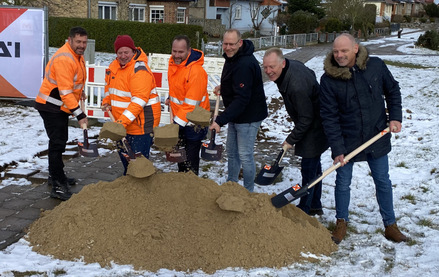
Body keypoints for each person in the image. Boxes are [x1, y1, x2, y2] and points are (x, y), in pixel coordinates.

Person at [320, 33, 407, 244]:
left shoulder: (375, 66)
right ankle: (341, 222)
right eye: (336, 51)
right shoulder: (329, 79)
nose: (339, 55)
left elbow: (392, 90)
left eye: (344, 51)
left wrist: (395, 116)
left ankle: (390, 225)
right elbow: (329, 117)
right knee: (342, 183)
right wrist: (337, 149)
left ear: (356, 49)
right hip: (347, 139)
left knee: (383, 182)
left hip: (376, 134)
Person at [262, 47, 328, 215]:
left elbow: (306, 118)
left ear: (282, 64)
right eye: (265, 67)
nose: (268, 71)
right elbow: (311, 73)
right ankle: (315, 204)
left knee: (308, 167)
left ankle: (305, 209)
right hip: (314, 119)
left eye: (272, 67)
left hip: (315, 124)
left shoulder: (296, 86)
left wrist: (291, 139)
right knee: (314, 167)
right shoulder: (291, 67)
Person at [209, 29, 268, 192]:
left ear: (240, 43)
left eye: (231, 44)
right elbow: (238, 84)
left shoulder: (245, 63)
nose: (227, 47)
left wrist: (219, 120)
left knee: (244, 154)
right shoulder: (233, 57)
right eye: (225, 43)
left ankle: (248, 192)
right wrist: (225, 87)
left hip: (249, 116)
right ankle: (232, 186)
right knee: (232, 152)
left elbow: (242, 99)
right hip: (236, 113)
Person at [35, 26, 89, 201]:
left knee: (58, 142)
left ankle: (55, 175)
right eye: (78, 41)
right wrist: (80, 115)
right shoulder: (65, 58)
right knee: (58, 144)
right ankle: (58, 186)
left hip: (59, 105)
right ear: (70, 40)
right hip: (51, 106)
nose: (82, 45)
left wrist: (80, 93)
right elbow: (65, 92)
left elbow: (72, 83)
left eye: (84, 42)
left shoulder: (75, 55)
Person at [101, 35, 161, 175]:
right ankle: (129, 184)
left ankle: (141, 190)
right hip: (121, 124)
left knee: (139, 165)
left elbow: (139, 100)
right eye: (119, 52)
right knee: (125, 158)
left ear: (133, 51)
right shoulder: (113, 66)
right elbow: (108, 87)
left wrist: (121, 123)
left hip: (140, 126)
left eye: (126, 52)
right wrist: (107, 101)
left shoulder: (139, 70)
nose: (123, 56)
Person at [166, 35, 210, 175]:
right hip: (180, 119)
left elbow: (191, 104)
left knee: (190, 162)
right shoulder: (174, 65)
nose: (177, 55)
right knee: (181, 158)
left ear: (189, 50)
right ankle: (181, 185)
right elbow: (179, 89)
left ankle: (191, 189)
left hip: (194, 123)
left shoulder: (196, 72)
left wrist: (175, 126)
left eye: (181, 52)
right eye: (174, 51)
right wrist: (170, 98)